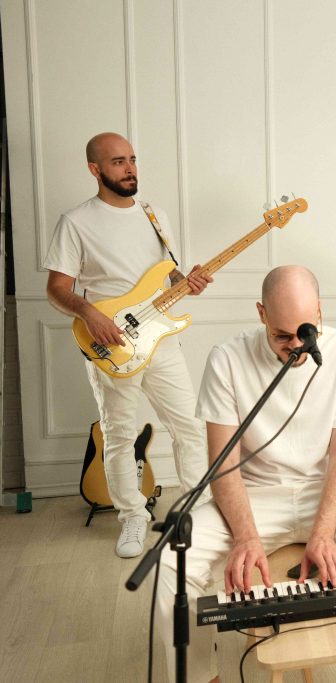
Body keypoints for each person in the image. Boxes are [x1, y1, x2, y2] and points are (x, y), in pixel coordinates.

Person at [156, 265, 336, 683]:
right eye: (282, 336)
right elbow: (223, 463)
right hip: (254, 497)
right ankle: (203, 679)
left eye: (304, 332)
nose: (296, 345)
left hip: (326, 493)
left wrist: (324, 534)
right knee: (170, 561)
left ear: (320, 310)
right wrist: (246, 536)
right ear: (261, 314)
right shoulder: (227, 359)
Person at [44, 132, 212, 558]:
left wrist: (187, 282)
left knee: (189, 427)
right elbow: (57, 288)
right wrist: (89, 313)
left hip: (161, 340)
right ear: (95, 169)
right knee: (119, 433)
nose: (130, 168)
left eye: (132, 159)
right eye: (118, 161)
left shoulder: (154, 215)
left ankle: (199, 510)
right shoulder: (75, 222)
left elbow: (168, 276)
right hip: (113, 341)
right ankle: (132, 516)